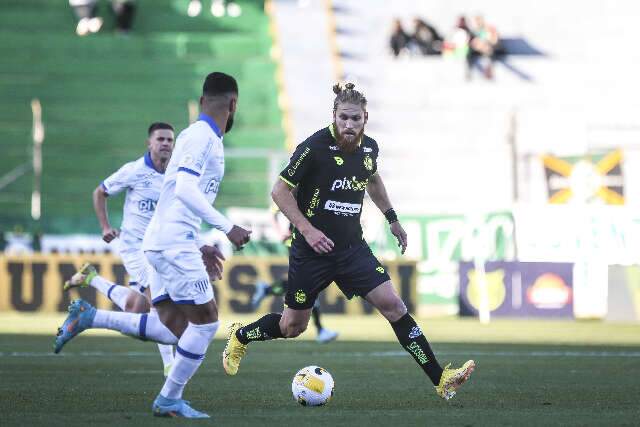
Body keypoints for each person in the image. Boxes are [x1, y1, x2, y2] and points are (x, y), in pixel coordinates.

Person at [222, 83, 475, 400]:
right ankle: (241, 335)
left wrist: (392, 219)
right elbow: (279, 191)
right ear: (334, 116)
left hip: (352, 249)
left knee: (394, 306)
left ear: (365, 118)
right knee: (292, 327)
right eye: (343, 118)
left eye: (355, 119)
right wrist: (308, 230)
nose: (349, 125)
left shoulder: (370, 149)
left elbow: (373, 179)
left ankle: (441, 379)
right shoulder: (314, 147)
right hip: (311, 251)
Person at [54, 72, 252, 418]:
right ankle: (168, 398)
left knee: (172, 327)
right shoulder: (203, 138)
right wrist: (227, 227)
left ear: (203, 102)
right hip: (171, 245)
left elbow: (172, 196)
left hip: (163, 242)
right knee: (205, 324)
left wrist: (199, 243)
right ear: (233, 104)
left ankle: (91, 316)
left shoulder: (193, 137)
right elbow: (186, 191)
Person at [63, 122, 176, 376]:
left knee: (136, 308)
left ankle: (91, 278)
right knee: (157, 299)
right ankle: (170, 365)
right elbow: (100, 192)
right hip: (135, 247)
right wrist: (105, 227)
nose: (166, 144)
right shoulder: (134, 170)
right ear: (149, 143)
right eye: (161, 139)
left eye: (170, 140)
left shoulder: (176, 175)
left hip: (160, 248)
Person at [251, 206, 339, 343]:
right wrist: (280, 232)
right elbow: (273, 211)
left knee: (307, 285)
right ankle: (320, 330)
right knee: (307, 284)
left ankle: (267, 290)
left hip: (312, 242)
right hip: (298, 242)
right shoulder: (296, 189)